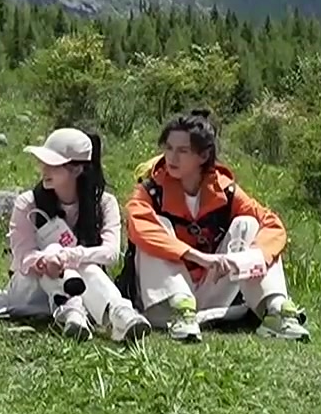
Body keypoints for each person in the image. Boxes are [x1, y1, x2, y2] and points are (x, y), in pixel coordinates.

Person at [122, 110, 309, 343]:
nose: (172, 158)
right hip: (162, 302)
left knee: (249, 224)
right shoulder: (150, 190)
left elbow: (272, 225)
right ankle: (181, 310)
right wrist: (199, 257)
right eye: (169, 148)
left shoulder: (225, 190)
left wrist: (246, 259)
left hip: (215, 288)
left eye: (183, 151)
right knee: (157, 225)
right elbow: (139, 226)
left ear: (203, 155)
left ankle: (276, 310)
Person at [0, 127, 151, 343]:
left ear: (76, 170)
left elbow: (111, 253)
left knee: (84, 264)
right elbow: (22, 259)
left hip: (83, 286)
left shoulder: (104, 204)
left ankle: (115, 314)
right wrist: (48, 259)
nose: (43, 169)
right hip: (30, 291)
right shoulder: (28, 203)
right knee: (54, 252)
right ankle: (80, 310)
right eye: (43, 163)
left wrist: (69, 257)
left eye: (53, 165)